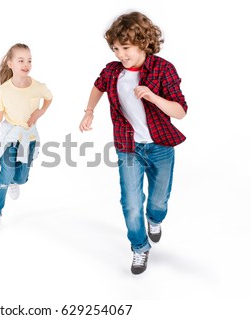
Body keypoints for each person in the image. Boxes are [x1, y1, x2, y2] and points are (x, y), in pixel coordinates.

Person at [79, 12, 188, 275]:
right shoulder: (112, 71)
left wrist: (152, 97)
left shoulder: (163, 68)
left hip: (161, 146)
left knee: (159, 201)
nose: (120, 54)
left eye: (125, 48)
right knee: (130, 201)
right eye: (116, 48)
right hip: (129, 147)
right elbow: (97, 86)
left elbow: (180, 111)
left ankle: (155, 219)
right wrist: (89, 111)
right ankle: (140, 246)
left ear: (143, 42)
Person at [0, 43, 53, 230]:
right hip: (11, 138)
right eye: (21, 60)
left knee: (21, 177)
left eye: (29, 60)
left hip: (29, 139)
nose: (26, 64)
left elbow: (49, 97)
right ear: (10, 64)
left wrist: (39, 112)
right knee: (5, 173)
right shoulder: (3, 91)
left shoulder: (37, 87)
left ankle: (16, 181)